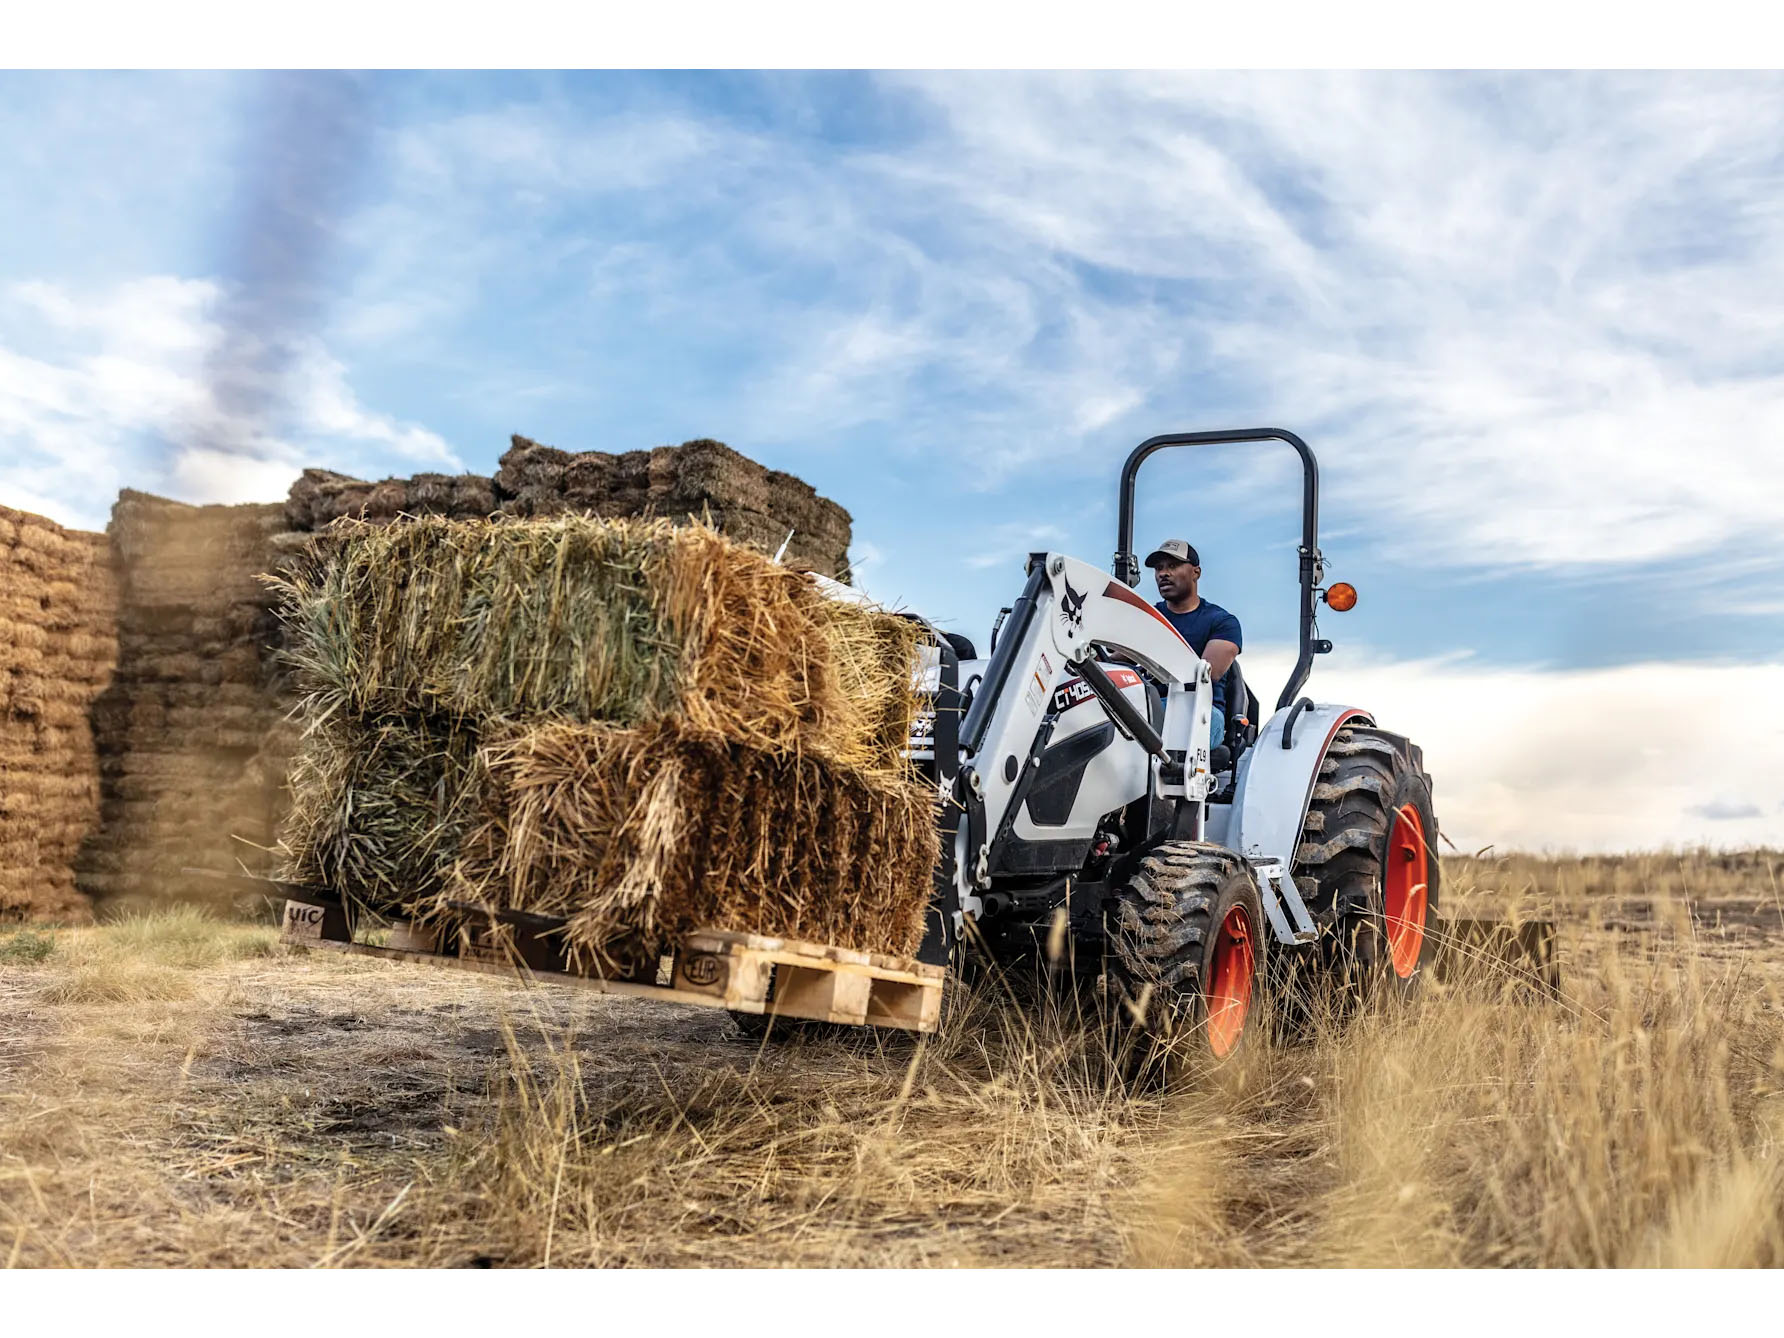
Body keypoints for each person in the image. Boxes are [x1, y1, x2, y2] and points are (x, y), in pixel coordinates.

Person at [1144, 539, 1242, 750]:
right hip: (1144, 704)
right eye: (1159, 568)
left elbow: (1207, 673)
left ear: (1196, 572)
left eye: (1173, 566)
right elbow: (1113, 657)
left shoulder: (1222, 622)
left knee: (1163, 720)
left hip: (1199, 708)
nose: (1163, 573)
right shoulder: (1146, 617)